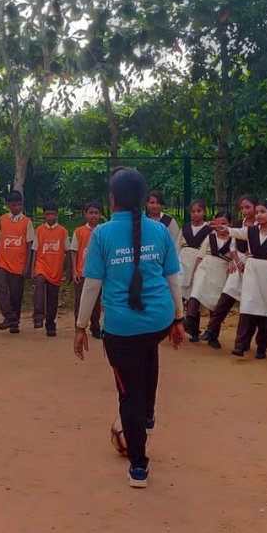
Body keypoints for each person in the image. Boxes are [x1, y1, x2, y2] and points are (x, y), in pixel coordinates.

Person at [74, 167, 184, 488]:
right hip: (159, 321)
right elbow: (173, 281)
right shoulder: (161, 231)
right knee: (148, 349)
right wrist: (178, 321)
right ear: (143, 200)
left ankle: (139, 466)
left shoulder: (102, 234)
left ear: (112, 200)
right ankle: (147, 415)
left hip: (122, 329)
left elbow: (92, 285)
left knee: (128, 394)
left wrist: (81, 327)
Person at [226, 199, 267, 358]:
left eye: (263, 212)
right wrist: (222, 228)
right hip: (252, 269)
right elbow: (234, 232)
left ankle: (262, 347)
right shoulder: (250, 231)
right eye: (257, 212)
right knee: (248, 305)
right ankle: (240, 345)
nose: (259, 215)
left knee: (266, 308)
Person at [202, 194, 258, 349]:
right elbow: (232, 244)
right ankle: (212, 330)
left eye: (248, 207)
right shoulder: (239, 224)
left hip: (254, 266)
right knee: (226, 297)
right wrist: (235, 260)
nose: (245, 211)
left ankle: (244, 342)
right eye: (242, 208)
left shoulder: (261, 225)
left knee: (250, 304)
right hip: (238, 262)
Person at [0, 189, 34, 334]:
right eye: (14, 205)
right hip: (1, 261)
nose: (17, 208)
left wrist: (28, 266)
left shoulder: (27, 222)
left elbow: (29, 246)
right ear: (8, 205)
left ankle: (15, 322)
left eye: (19, 205)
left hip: (18, 263)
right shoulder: (2, 220)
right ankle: (9, 316)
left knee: (16, 294)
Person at [190, 209, 233, 343]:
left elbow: (239, 254)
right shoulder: (210, 236)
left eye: (224, 223)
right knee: (196, 292)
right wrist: (195, 273)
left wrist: (232, 260)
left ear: (230, 224)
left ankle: (213, 335)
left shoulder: (235, 239)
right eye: (218, 223)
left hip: (221, 271)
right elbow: (200, 255)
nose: (221, 226)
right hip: (206, 267)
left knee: (215, 303)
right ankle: (190, 323)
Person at [32, 202, 70, 336]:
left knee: (53, 298)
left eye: (52, 214)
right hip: (41, 265)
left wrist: (68, 270)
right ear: (44, 215)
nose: (50, 216)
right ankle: (38, 316)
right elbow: (35, 251)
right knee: (40, 284)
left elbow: (68, 251)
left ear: (57, 215)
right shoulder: (39, 230)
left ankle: (50, 324)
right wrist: (32, 268)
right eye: (47, 214)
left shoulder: (63, 231)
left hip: (55, 268)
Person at [69, 202, 104, 338]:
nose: (93, 215)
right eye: (91, 212)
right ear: (85, 214)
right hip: (82, 272)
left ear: (100, 215)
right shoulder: (79, 231)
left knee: (96, 302)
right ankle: (79, 326)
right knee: (80, 301)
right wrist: (75, 271)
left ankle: (95, 327)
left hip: (97, 273)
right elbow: (74, 251)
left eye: (96, 213)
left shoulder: (103, 231)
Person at [178, 200, 212, 337]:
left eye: (199, 211)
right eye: (193, 211)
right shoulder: (185, 228)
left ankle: (194, 330)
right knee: (180, 294)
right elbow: (177, 245)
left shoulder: (209, 229)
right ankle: (178, 324)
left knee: (195, 295)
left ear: (204, 212)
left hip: (199, 262)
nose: (196, 214)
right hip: (183, 262)